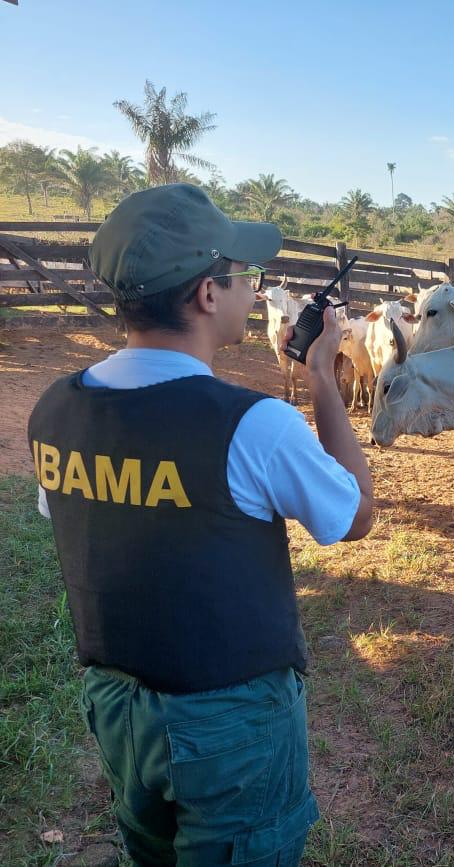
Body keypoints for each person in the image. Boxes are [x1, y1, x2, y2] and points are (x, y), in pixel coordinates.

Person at [26, 183, 374, 866]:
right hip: (231, 725)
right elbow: (355, 515)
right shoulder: (251, 423)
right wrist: (324, 378)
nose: (254, 288)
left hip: (117, 707)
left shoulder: (54, 411)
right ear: (207, 295)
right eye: (247, 276)